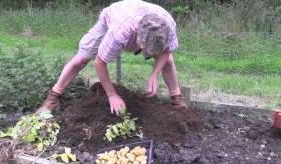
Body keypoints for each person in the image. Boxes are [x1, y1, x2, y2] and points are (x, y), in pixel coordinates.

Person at [37, 0, 187, 116]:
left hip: (142, 14)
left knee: (167, 61)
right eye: (145, 49)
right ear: (138, 36)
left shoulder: (168, 27)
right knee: (82, 59)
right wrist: (112, 94)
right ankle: (52, 98)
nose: (145, 54)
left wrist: (155, 73)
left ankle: (177, 100)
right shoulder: (120, 31)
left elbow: (167, 51)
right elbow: (100, 63)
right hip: (115, 15)